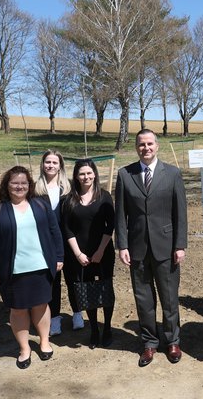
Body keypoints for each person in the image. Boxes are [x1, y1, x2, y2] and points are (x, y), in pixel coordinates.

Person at [0, 166, 64, 369]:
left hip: (41, 267)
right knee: (18, 310)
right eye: (14, 183)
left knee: (41, 306)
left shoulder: (40, 205)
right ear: (6, 186)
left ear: (30, 185)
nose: (19, 186)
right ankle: (24, 348)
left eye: (24, 183)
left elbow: (55, 231)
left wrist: (59, 256)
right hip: (13, 271)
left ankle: (44, 342)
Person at [115, 129, 188, 367]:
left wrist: (180, 245)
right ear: (136, 147)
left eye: (149, 144)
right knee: (143, 299)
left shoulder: (173, 174)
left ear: (157, 146)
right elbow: (120, 215)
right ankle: (149, 342)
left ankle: (172, 340)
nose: (146, 148)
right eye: (141, 144)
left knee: (169, 298)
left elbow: (181, 213)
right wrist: (122, 245)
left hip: (166, 248)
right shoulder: (125, 175)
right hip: (137, 248)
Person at [62, 159, 116, 349]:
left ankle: (107, 327)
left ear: (95, 174)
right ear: (76, 176)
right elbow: (67, 229)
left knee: (105, 289)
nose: (86, 177)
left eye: (89, 173)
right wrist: (77, 254)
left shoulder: (105, 196)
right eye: (82, 173)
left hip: (103, 252)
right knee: (88, 292)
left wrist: (100, 250)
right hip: (81, 255)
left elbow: (111, 225)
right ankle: (94, 329)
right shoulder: (69, 200)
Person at [34, 149, 79, 336]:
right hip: (46, 242)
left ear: (60, 165)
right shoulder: (35, 189)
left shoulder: (68, 188)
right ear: (42, 165)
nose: (51, 165)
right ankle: (55, 318)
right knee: (52, 280)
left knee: (73, 277)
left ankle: (77, 312)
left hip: (68, 240)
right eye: (47, 162)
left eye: (54, 162)